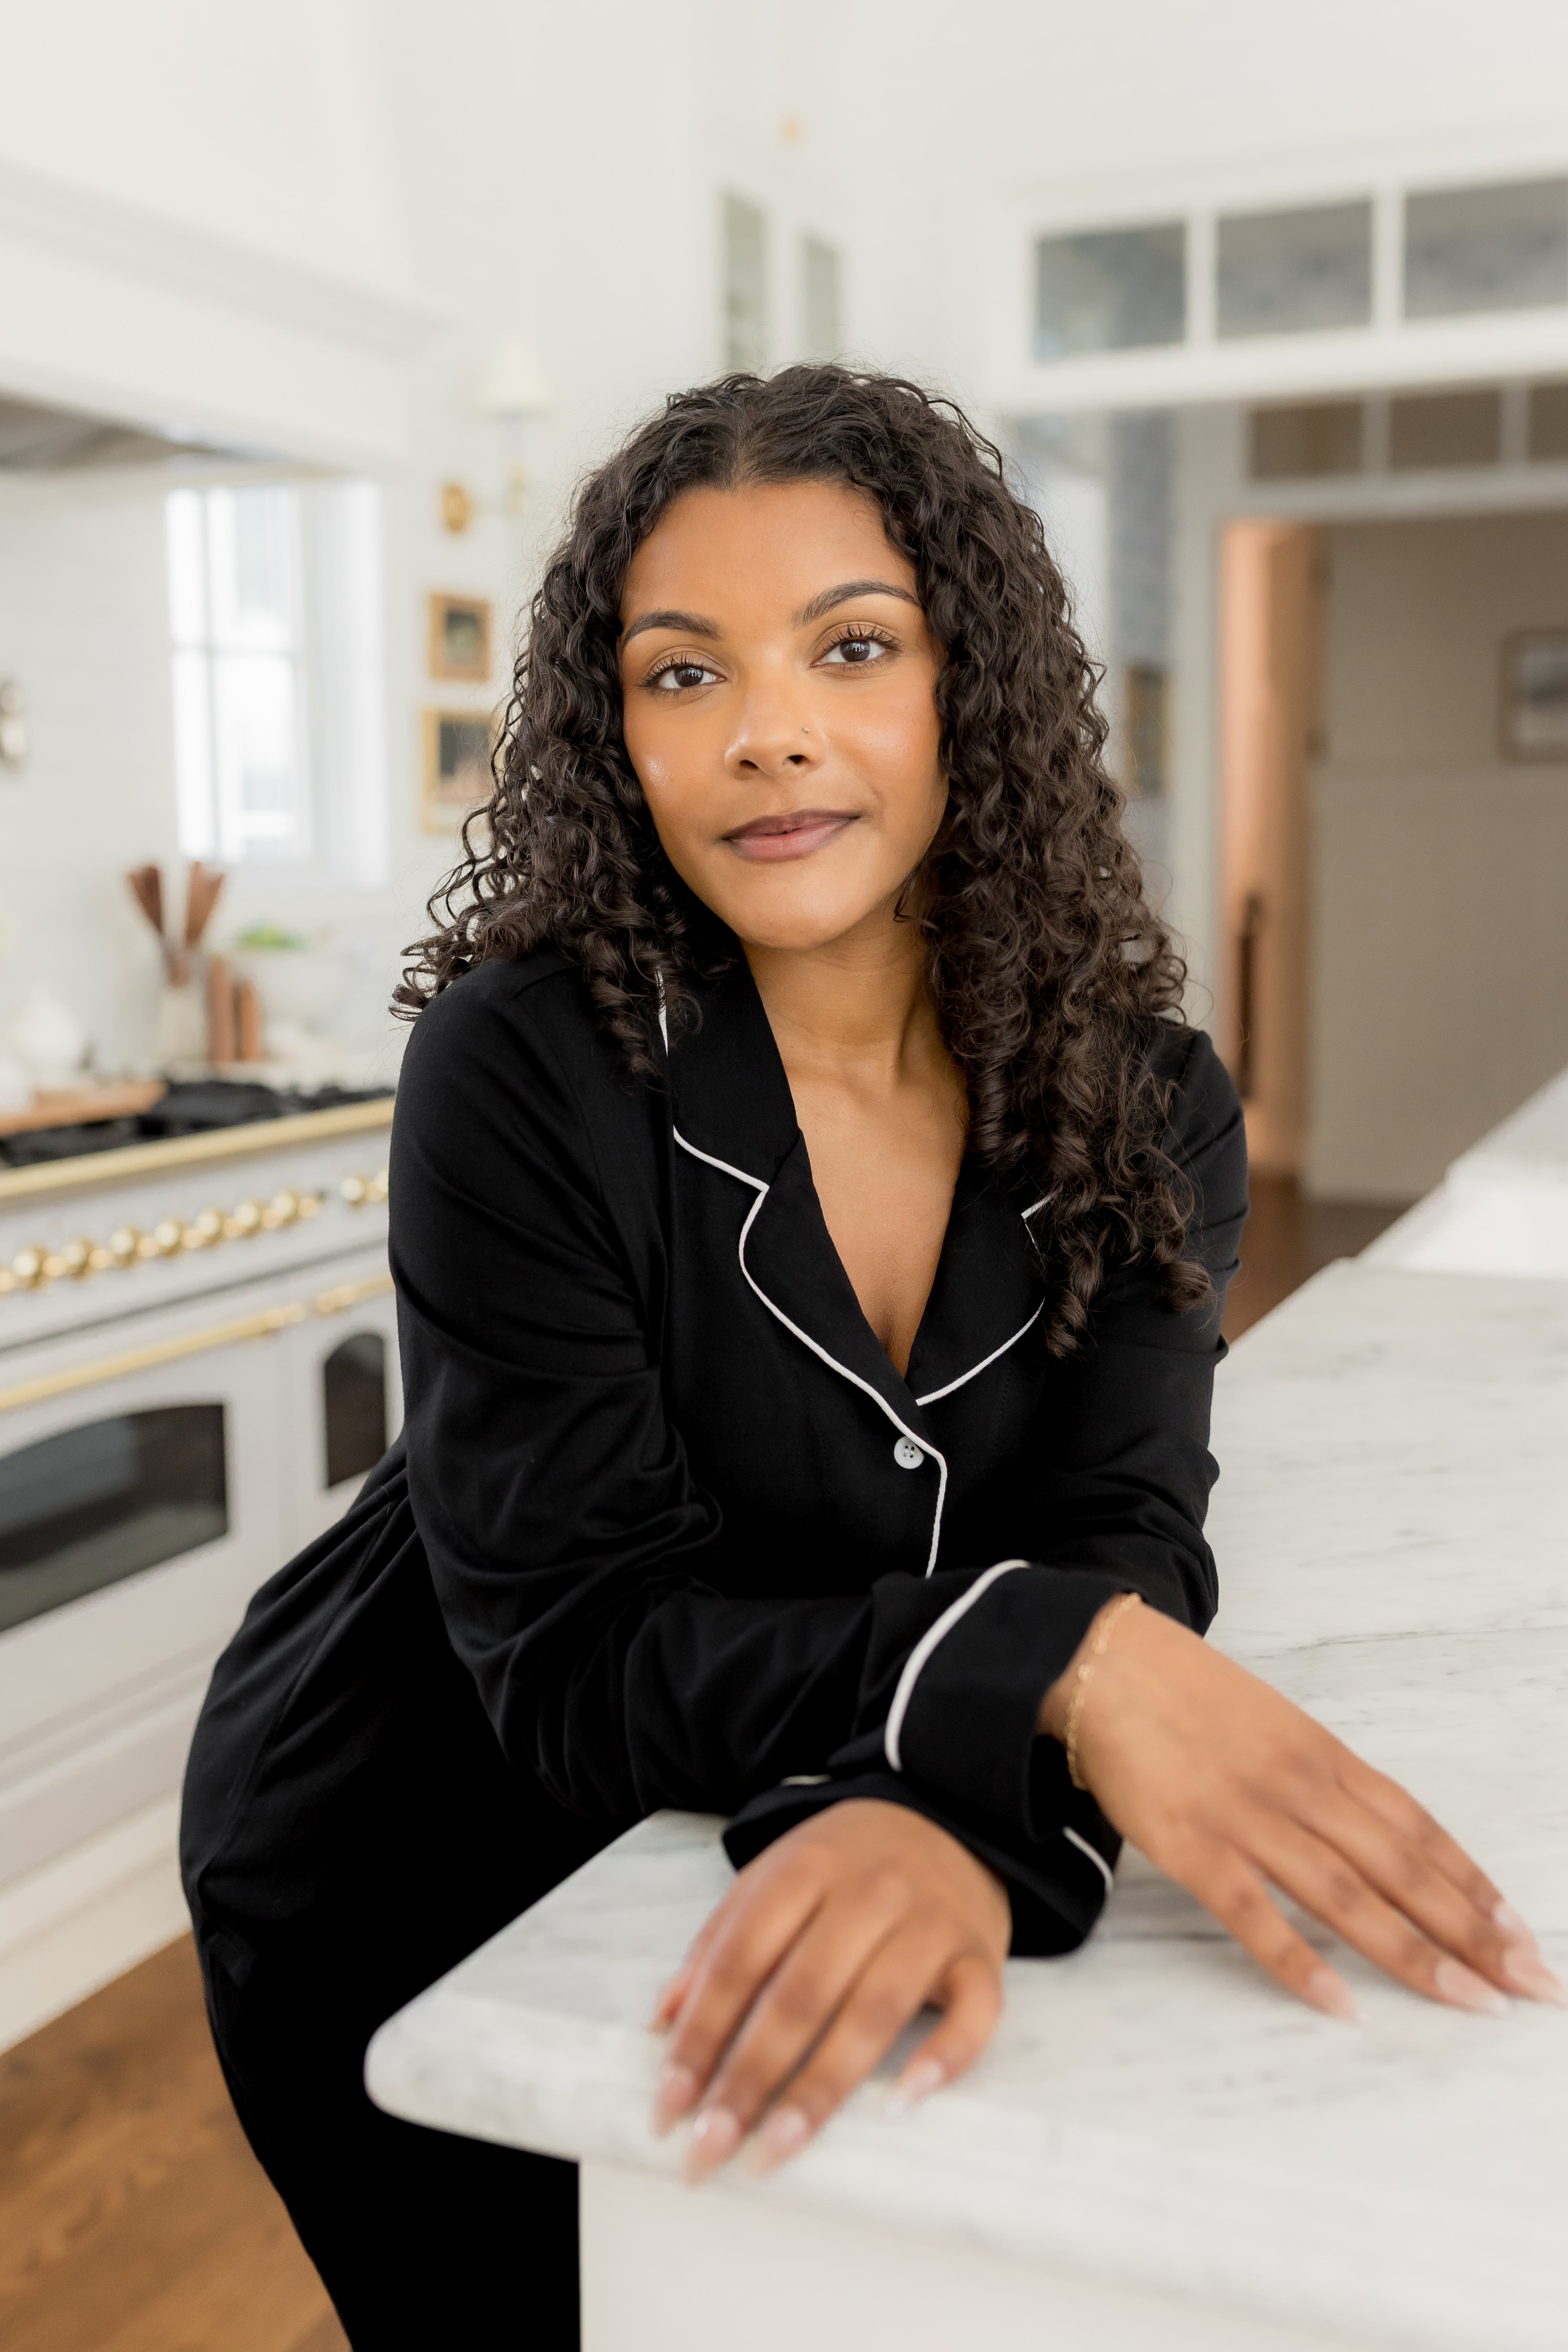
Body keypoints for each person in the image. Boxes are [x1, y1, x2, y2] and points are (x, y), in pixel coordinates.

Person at [180, 366, 1560, 2351]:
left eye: (852, 645)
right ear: (614, 735)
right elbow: (578, 1652)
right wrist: (1059, 1673)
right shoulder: (526, 1067)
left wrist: (951, 1801)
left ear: (964, 690)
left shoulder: (1144, 1101)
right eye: (683, 675)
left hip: (795, 1844)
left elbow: (1116, 1523)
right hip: (417, 1846)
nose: (770, 735)